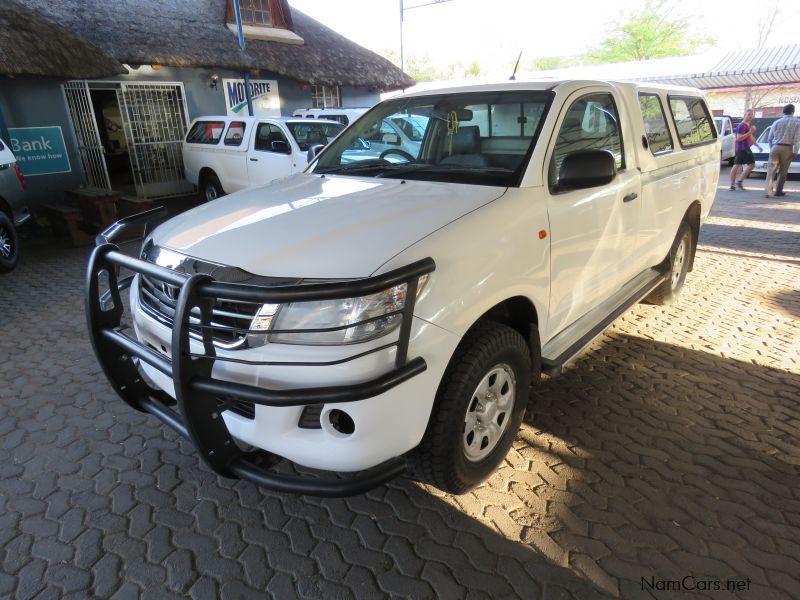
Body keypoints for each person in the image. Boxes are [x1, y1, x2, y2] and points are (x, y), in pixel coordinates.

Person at [765, 103, 800, 197]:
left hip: (775, 147)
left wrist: (771, 147)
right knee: (783, 171)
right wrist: (795, 151)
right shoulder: (797, 122)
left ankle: (768, 192)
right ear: (793, 111)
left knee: (771, 170)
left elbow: (769, 138)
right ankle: (778, 191)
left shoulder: (776, 122)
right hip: (787, 148)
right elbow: (797, 138)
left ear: (783, 111)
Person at [730, 110, 762, 190]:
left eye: (752, 115)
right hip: (744, 148)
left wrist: (757, 146)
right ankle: (739, 182)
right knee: (751, 165)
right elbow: (739, 138)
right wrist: (750, 132)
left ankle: (733, 185)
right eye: (748, 114)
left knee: (736, 165)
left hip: (740, 148)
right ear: (744, 115)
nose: (750, 116)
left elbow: (750, 137)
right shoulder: (742, 126)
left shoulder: (747, 125)